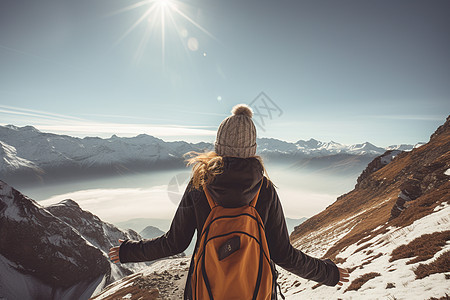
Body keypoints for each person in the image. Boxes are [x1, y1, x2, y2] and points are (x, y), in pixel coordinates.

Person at [109, 104, 349, 299]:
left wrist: (129, 251)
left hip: (205, 290)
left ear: (218, 145)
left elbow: (175, 243)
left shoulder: (199, 185)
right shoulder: (265, 190)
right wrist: (328, 273)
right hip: (256, 290)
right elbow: (283, 254)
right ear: (253, 148)